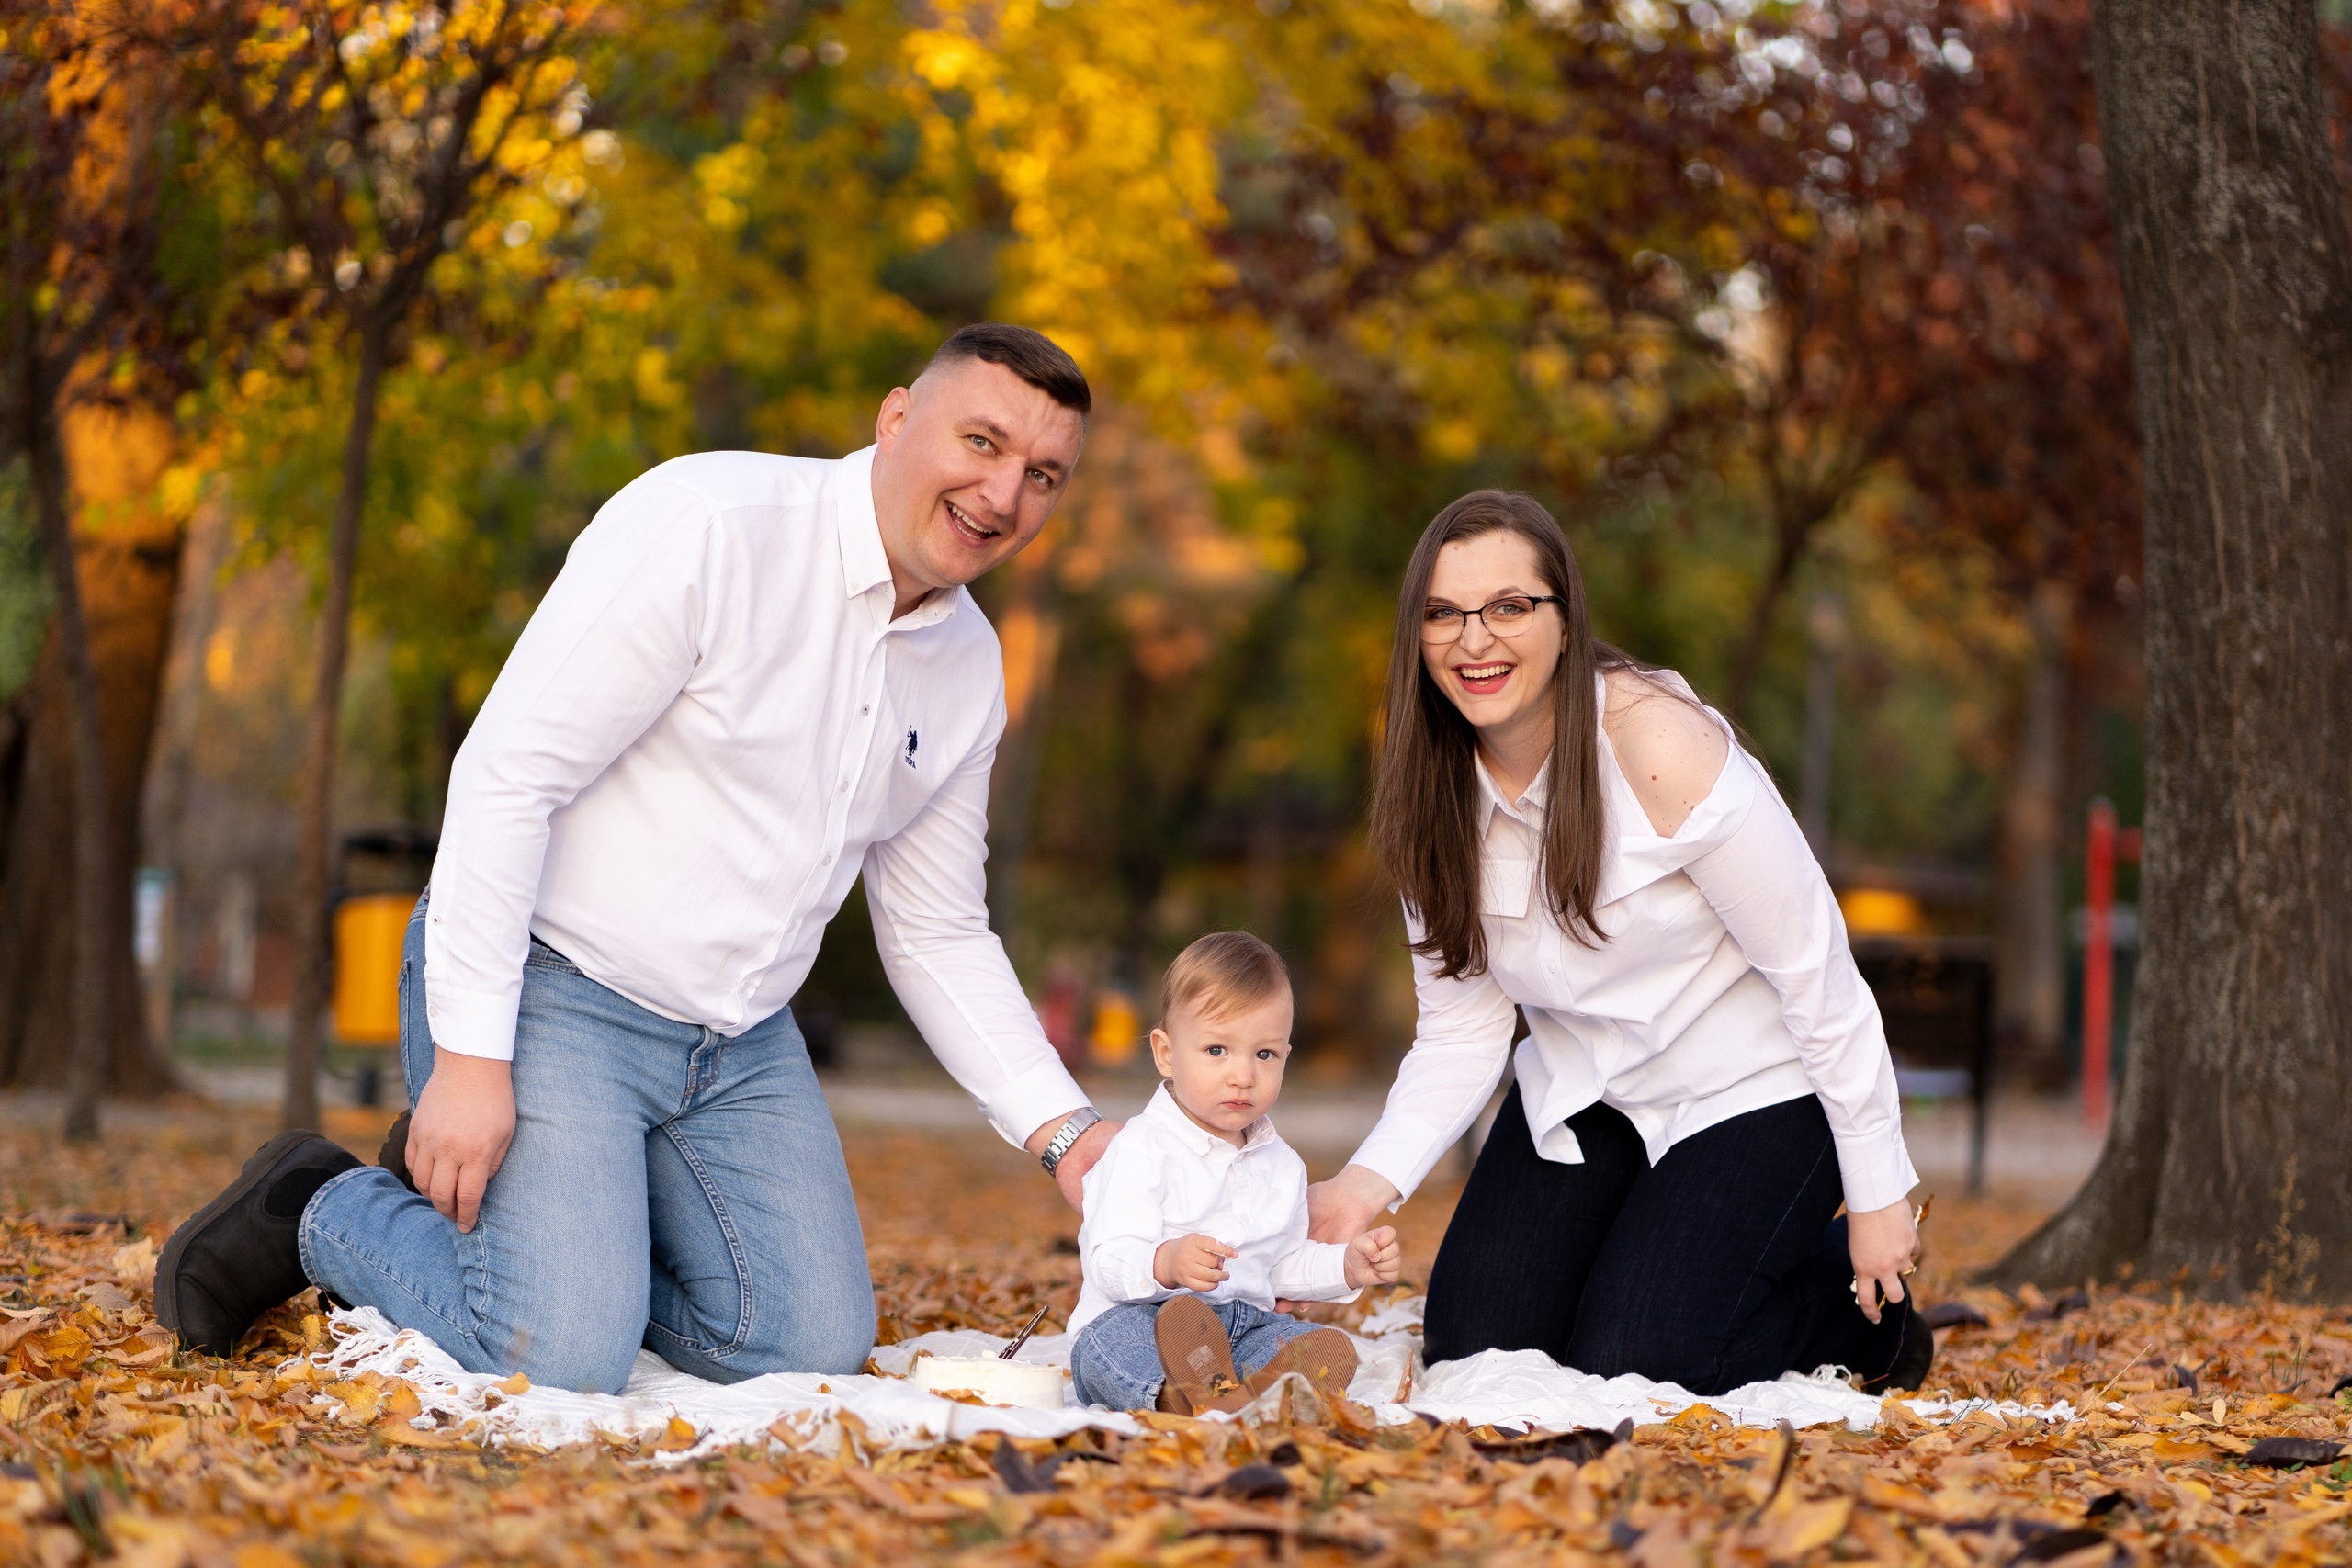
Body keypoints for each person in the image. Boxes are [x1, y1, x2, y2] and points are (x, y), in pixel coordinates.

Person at [154, 325, 1120, 1393]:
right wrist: (472, 1062)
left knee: (802, 1348)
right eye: (979, 442)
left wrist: (1065, 1135)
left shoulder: (969, 663)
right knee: (560, 1353)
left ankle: (559, 1243)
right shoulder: (711, 524)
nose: (1003, 493)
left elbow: (936, 928)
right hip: (552, 990)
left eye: (1041, 475)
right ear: (896, 419)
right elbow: (508, 776)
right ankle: (322, 1205)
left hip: (740, 1048)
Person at [1302, 490, 1931, 1396]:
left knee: (1647, 1360)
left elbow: (1819, 978)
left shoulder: (1659, 746)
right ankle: (1664, 1253)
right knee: (1477, 1347)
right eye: (1443, 614)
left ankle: (1855, 1311)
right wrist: (1362, 1187)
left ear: (1563, 618)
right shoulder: (1426, 794)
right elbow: (1462, 1032)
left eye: (1509, 607)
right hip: (1585, 1093)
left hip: (1753, 1090)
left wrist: (1877, 1194)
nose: (1474, 640)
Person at [1067, 932, 1401, 1415]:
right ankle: (1175, 1396)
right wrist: (1166, 1262)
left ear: (1286, 1055)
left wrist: (1344, 1266)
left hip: (1239, 1327)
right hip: (1144, 1316)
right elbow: (1109, 1260)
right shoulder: (1141, 1148)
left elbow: (1280, 1267)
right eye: (1217, 1051)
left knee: (1292, 1337)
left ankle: (1245, 1391)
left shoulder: (1283, 1166)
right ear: (1166, 1053)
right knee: (1111, 1343)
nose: (1242, 1075)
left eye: (1264, 1055)